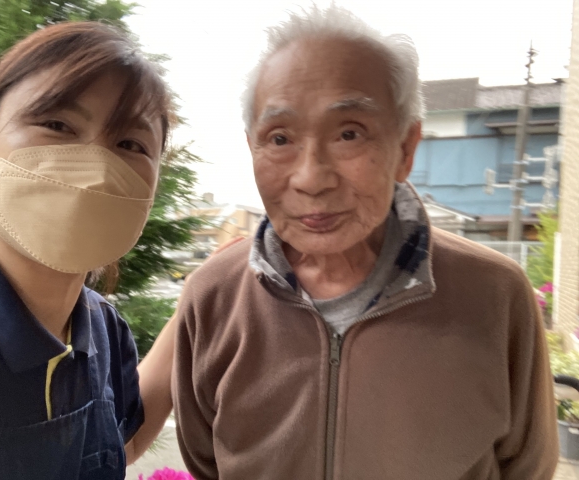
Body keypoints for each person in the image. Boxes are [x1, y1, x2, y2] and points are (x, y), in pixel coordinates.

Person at [170, 5, 559, 479]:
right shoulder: (212, 296)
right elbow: (206, 461)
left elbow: (529, 466)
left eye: (349, 133)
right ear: (251, 146)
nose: (311, 178)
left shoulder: (495, 294)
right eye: (279, 138)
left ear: (406, 148)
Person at [0, 22, 172, 480]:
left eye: (130, 144)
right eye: (57, 125)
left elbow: (116, 448)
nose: (96, 170)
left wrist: (200, 305)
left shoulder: (107, 330)